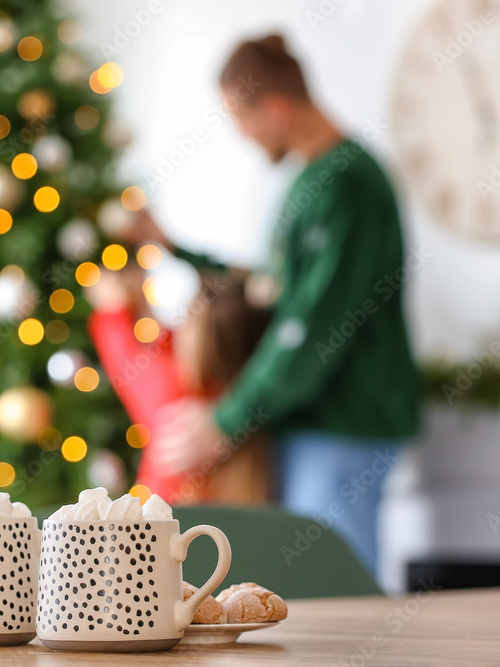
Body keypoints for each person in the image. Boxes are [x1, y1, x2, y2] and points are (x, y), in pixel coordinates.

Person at [126, 34, 422, 573]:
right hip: (311, 425)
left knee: (337, 600)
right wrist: (173, 250)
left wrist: (225, 421)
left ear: (278, 108)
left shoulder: (349, 186)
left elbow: (310, 329)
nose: (241, 134)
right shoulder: (310, 182)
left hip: (343, 427)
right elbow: (268, 290)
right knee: (313, 599)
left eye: (241, 118)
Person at [87, 266, 272, 505]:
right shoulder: (239, 397)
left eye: (187, 317)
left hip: (155, 526)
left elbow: (124, 357)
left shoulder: (176, 394)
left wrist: (113, 309)